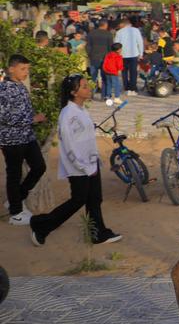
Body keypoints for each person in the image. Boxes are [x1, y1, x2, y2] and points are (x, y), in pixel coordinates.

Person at [29, 75, 122, 247]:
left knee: (95, 199)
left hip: (91, 162)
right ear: (73, 92)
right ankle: (41, 224)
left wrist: (93, 161)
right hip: (79, 166)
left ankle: (98, 233)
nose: (89, 88)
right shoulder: (67, 114)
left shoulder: (81, 110)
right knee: (78, 200)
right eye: (84, 86)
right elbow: (69, 146)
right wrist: (83, 167)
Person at [2, 55, 47, 226]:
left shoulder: (19, 85)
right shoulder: (4, 89)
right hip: (11, 139)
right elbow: (4, 116)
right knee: (14, 174)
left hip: (27, 136)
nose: (26, 72)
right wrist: (33, 119)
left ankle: (16, 198)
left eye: (27, 69)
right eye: (23, 69)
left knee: (39, 167)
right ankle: (16, 213)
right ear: (11, 69)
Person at [114, 17, 144, 93]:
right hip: (134, 54)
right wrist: (141, 53)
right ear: (129, 24)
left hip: (123, 55)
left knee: (124, 72)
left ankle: (126, 86)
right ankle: (133, 87)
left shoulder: (119, 32)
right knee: (133, 72)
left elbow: (116, 44)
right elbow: (140, 42)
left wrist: (117, 55)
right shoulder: (136, 30)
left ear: (123, 24)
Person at [86, 20, 113, 100]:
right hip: (105, 58)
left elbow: (88, 46)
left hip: (93, 57)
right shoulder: (108, 34)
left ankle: (90, 95)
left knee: (92, 77)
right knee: (105, 78)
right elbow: (110, 47)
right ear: (105, 25)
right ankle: (105, 95)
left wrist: (89, 54)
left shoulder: (91, 33)